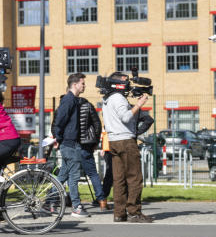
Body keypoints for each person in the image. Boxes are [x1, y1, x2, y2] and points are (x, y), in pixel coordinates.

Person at [101, 71, 154, 223]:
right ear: (118, 83)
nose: (129, 84)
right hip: (125, 141)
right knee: (134, 178)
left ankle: (119, 213)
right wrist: (139, 104)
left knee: (119, 179)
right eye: (126, 81)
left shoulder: (108, 98)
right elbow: (125, 117)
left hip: (114, 141)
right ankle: (134, 212)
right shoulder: (118, 98)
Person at [52, 73, 106, 218]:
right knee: (74, 177)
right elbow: (59, 120)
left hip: (70, 143)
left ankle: (48, 200)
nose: (84, 85)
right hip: (70, 144)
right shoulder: (69, 100)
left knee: (63, 174)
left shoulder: (74, 100)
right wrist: (58, 136)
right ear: (75, 84)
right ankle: (76, 207)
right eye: (82, 83)